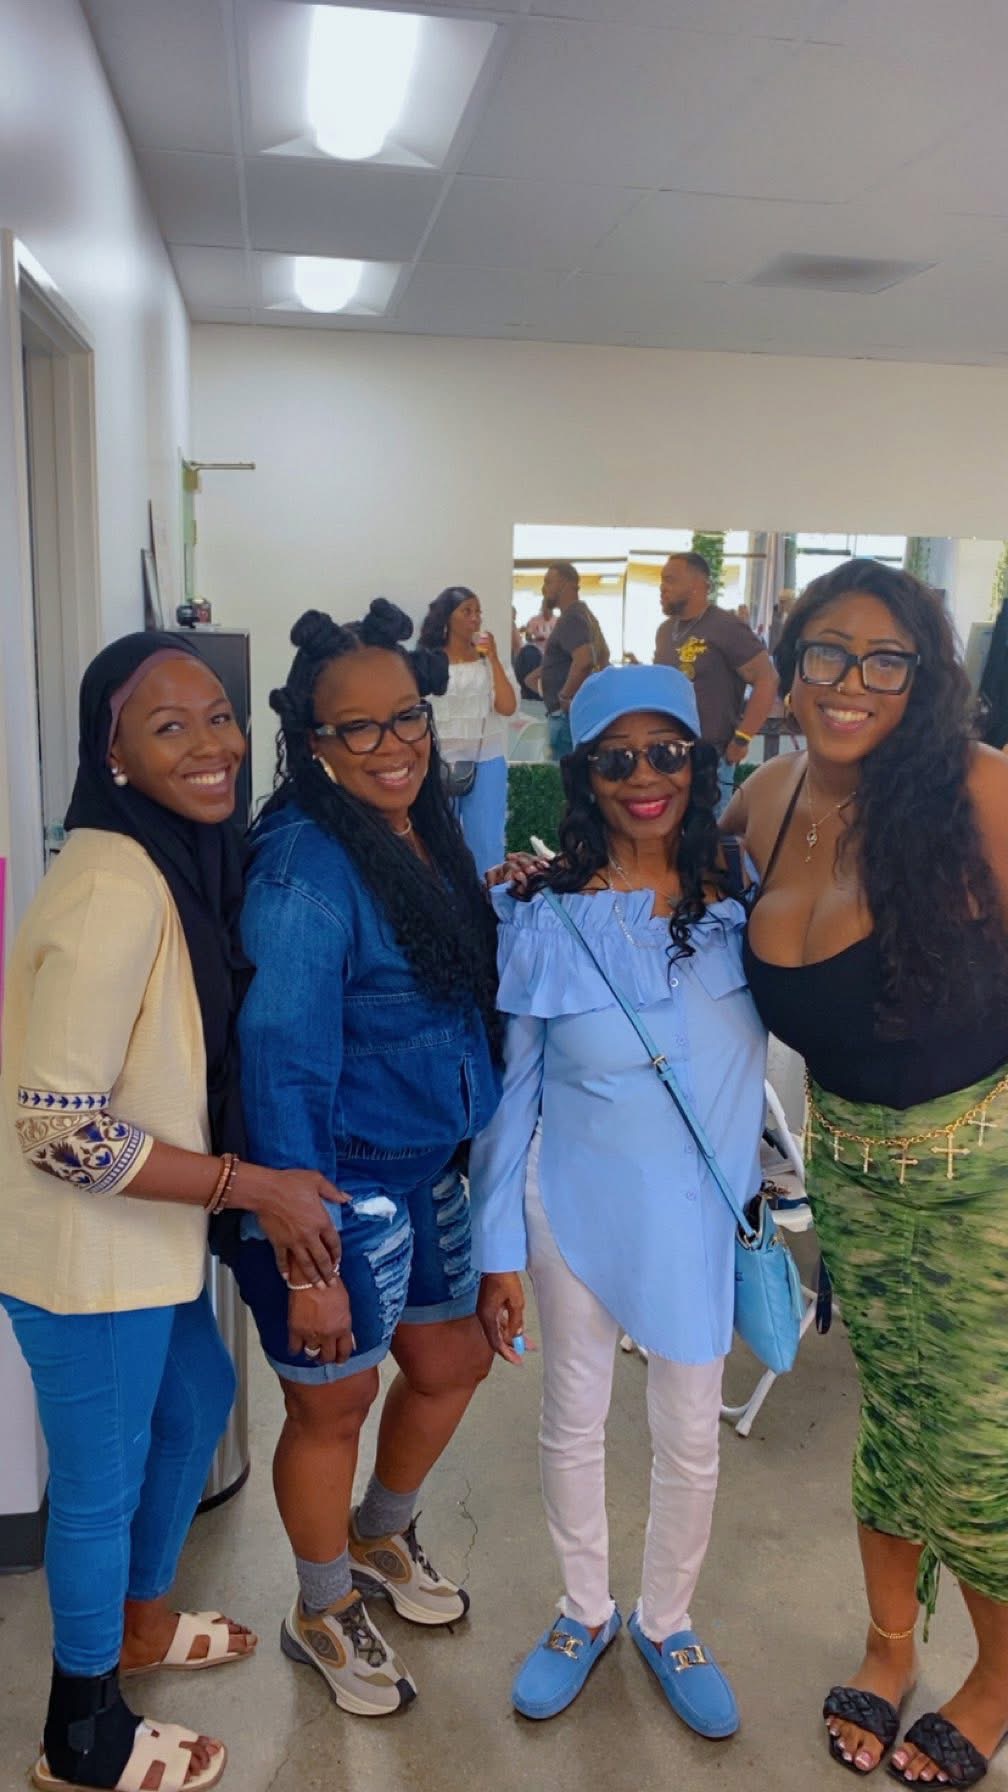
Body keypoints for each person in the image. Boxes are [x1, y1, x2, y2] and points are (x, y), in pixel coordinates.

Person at [0, 633, 348, 1792]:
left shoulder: (165, 860)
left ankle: (143, 1625)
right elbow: (59, 1129)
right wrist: (253, 1185)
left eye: (218, 716)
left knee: (195, 1398)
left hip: (144, 1240)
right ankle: (81, 1733)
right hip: (84, 1258)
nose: (212, 746)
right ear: (112, 754)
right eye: (168, 726)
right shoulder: (112, 886)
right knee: (97, 1491)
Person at [724, 559, 1008, 1788]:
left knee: (982, 1446)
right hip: (847, 1167)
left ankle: (998, 1678)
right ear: (790, 670)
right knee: (892, 1418)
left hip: (983, 1176)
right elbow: (660, 889)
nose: (852, 680)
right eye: (827, 652)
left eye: (886, 657)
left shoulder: (981, 791)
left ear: (925, 676)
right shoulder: (766, 797)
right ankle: (890, 1647)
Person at [469, 664, 767, 1735]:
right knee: (574, 1418)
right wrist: (496, 1250)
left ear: (697, 760)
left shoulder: (744, 896)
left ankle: (668, 1618)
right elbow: (512, 1099)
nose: (646, 778)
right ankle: (583, 1610)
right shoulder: (543, 912)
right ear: (583, 775)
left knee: (690, 1430)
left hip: (697, 1218)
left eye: (667, 752)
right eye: (617, 758)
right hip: (573, 1205)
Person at [232, 600, 503, 1719]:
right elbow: (282, 1062)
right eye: (359, 728)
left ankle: (379, 1538)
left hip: (427, 1166)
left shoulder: (420, 827)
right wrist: (309, 1264)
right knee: (330, 1408)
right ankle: (320, 1607)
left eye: (407, 718)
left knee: (453, 1362)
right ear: (314, 741)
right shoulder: (305, 866)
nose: (393, 745)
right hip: (333, 1187)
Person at [654, 552, 778, 813]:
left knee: (709, 832)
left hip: (711, 757)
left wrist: (742, 738)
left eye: (670, 580)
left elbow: (767, 679)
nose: (662, 587)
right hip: (669, 755)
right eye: (662, 580)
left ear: (698, 586)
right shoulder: (665, 631)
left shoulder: (726, 627)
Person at [419, 585, 518, 876]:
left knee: (486, 843)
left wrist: (493, 658)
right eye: (467, 611)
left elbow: (507, 707)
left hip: (486, 758)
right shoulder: (428, 661)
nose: (475, 618)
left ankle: (487, 898)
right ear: (447, 618)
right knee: (438, 843)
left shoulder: (489, 662)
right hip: (438, 761)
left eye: (478, 612)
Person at [539, 562, 611, 761]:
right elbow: (603, 657)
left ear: (565, 583)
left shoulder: (571, 617)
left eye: (548, 582)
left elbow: (584, 660)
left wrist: (564, 696)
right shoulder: (586, 616)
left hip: (565, 716)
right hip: (579, 712)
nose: (544, 589)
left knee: (562, 773)